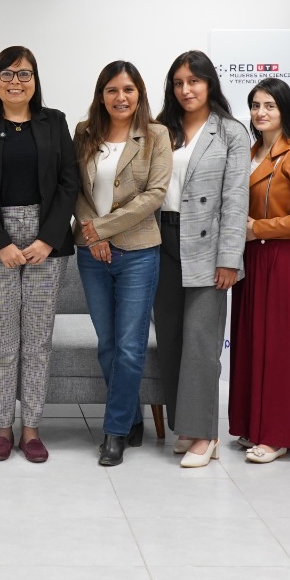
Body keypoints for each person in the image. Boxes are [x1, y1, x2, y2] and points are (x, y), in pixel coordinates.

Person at [0, 46, 78, 464]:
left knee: (38, 341)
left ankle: (31, 429)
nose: (15, 81)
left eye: (24, 74)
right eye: (7, 73)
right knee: (2, 340)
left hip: (46, 243)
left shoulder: (54, 121)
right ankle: (2, 428)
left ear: (35, 80)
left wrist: (48, 239)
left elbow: (69, 183)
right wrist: (0, 242)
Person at [153, 51, 250, 469]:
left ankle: (206, 434)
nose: (186, 89)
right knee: (171, 338)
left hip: (207, 246)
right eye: (178, 82)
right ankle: (186, 427)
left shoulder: (230, 132)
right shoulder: (161, 128)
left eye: (194, 81)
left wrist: (230, 258)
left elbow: (236, 199)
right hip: (160, 240)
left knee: (201, 343)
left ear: (210, 83)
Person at [73, 60, 170, 468]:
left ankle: (113, 434)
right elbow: (75, 190)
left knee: (130, 348)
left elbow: (155, 194)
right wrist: (92, 234)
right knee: (108, 346)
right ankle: (130, 419)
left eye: (128, 89)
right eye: (112, 90)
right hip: (91, 255)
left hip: (138, 253)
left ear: (139, 94)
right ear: (101, 95)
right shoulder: (84, 133)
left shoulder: (156, 135)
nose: (120, 97)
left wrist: (102, 229)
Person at [229, 76, 290, 465]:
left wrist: (260, 229)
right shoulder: (247, 152)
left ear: (285, 111)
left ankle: (278, 434)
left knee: (279, 347)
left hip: (282, 257)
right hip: (249, 258)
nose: (260, 113)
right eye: (255, 105)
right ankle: (253, 425)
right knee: (249, 341)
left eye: (270, 105)